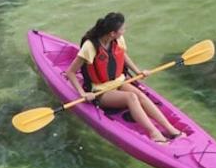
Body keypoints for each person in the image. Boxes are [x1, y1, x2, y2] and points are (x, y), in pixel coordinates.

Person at [65, 12, 186, 144]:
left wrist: (138, 72)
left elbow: (123, 56)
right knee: (131, 97)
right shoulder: (90, 46)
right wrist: (83, 94)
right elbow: (70, 72)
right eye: (122, 29)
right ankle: (155, 134)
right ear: (112, 33)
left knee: (140, 95)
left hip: (119, 82)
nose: (124, 31)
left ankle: (170, 129)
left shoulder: (118, 40)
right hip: (100, 91)